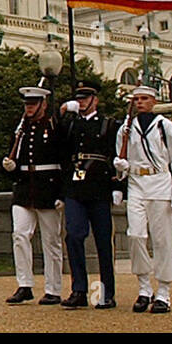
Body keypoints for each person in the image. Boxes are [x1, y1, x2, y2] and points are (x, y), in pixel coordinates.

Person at [115, 85, 172, 313]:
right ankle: (144, 287)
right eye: (136, 99)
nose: (139, 103)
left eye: (144, 99)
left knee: (162, 240)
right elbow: (121, 157)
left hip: (160, 183)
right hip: (136, 184)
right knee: (135, 235)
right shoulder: (126, 128)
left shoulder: (165, 126)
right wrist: (121, 171)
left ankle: (164, 291)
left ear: (154, 101)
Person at [56, 82, 121, 309]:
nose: (81, 102)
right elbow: (59, 146)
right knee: (73, 235)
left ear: (95, 100)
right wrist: (62, 113)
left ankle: (106, 292)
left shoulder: (108, 124)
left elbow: (115, 155)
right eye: (79, 98)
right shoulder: (71, 124)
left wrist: (118, 187)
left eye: (85, 98)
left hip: (99, 186)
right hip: (75, 187)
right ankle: (79, 289)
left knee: (103, 241)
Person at [2, 86, 64, 305]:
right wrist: (9, 167)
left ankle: (53, 288)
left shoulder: (53, 126)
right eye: (27, 104)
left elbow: (64, 160)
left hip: (48, 188)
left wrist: (62, 192)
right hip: (23, 188)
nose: (29, 108)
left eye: (33, 104)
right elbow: (16, 156)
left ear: (43, 105)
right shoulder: (21, 129)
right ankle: (24, 284)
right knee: (19, 235)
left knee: (51, 241)